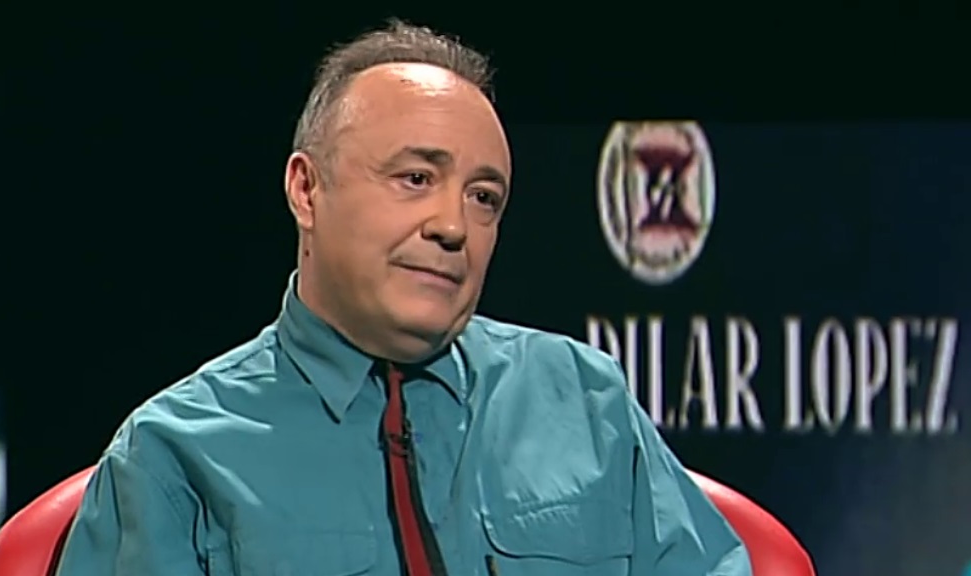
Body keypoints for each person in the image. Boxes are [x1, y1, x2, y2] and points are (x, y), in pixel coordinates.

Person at [54, 19, 751, 576]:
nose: (454, 226)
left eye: (484, 197)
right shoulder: (173, 454)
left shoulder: (585, 402)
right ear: (306, 190)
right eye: (416, 178)